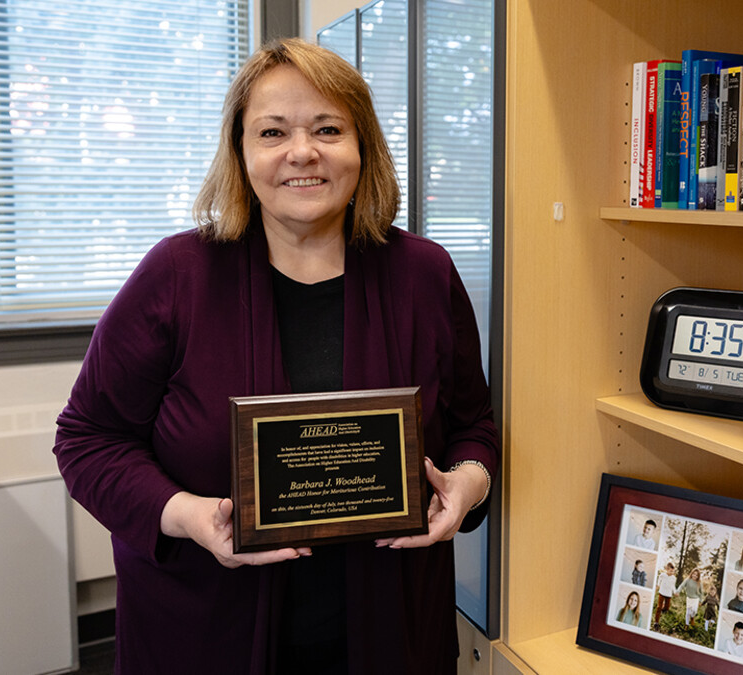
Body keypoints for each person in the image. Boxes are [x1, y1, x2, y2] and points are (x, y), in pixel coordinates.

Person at [53, 38, 499, 675]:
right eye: (272, 131)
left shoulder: (423, 274)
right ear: (241, 151)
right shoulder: (177, 274)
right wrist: (188, 516)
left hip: (392, 634)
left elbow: (473, 426)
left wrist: (469, 483)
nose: (302, 152)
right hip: (203, 635)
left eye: (327, 128)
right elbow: (88, 440)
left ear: (362, 146)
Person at [653, 562, 677, 628]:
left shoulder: (673, 578)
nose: (671, 572)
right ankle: (656, 622)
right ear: (667, 569)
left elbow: (673, 586)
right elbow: (659, 581)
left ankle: (663, 608)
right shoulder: (662, 575)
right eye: (670, 571)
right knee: (658, 607)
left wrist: (675, 592)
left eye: (673, 571)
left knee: (666, 608)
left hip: (668, 594)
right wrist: (657, 586)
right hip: (662, 592)